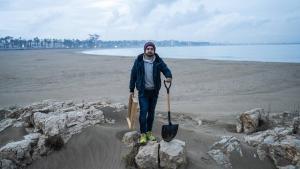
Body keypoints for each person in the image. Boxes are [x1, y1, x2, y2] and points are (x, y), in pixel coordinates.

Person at [129, 42, 172, 144]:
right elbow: (133, 75)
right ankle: (143, 134)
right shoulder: (139, 61)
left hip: (154, 92)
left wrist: (169, 76)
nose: (149, 50)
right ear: (145, 50)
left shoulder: (157, 60)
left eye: (151, 49)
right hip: (143, 92)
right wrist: (131, 89)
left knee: (151, 113)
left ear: (154, 50)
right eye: (148, 48)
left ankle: (149, 132)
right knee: (143, 113)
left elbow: (165, 69)